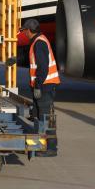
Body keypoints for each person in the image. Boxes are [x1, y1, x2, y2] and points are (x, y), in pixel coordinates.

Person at [24, 18, 60, 157]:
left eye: (24, 31)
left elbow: (43, 68)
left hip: (44, 87)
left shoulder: (39, 43)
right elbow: (35, 62)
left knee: (46, 118)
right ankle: (43, 145)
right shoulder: (39, 40)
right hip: (44, 86)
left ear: (29, 30)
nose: (24, 34)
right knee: (41, 117)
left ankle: (50, 149)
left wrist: (38, 85)